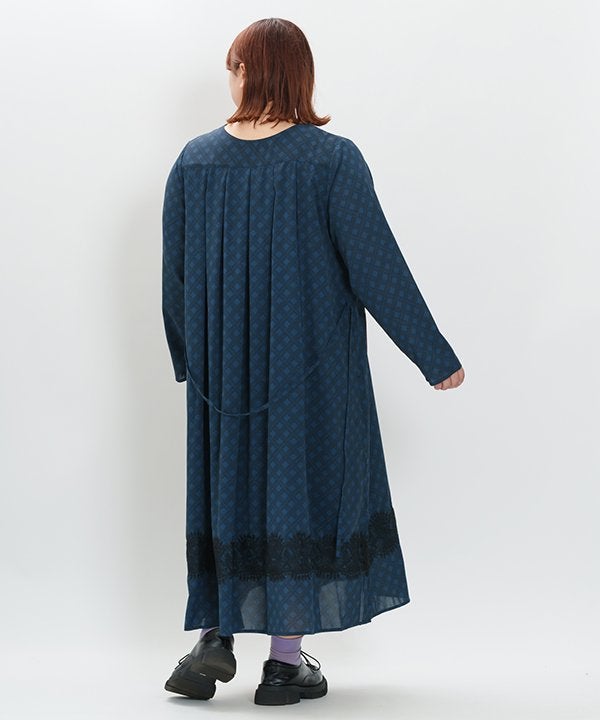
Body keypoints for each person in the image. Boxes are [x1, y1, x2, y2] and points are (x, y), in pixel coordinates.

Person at [161, 17, 465, 707]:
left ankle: (214, 638)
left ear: (245, 71)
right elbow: (376, 267)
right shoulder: (332, 161)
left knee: (228, 490)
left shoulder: (194, 161)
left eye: (233, 66)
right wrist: (433, 356)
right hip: (310, 374)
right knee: (297, 496)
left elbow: (174, 278)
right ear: (302, 76)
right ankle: (283, 664)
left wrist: (192, 362)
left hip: (220, 377)